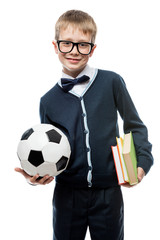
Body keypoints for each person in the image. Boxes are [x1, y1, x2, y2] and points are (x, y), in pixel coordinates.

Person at [15, 9, 153, 240]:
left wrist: (143, 162)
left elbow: (134, 125)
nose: (75, 52)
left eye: (83, 45)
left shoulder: (112, 82)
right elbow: (48, 150)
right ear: (56, 45)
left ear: (93, 48)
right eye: (67, 44)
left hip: (109, 194)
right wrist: (35, 176)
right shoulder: (47, 101)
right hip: (67, 196)